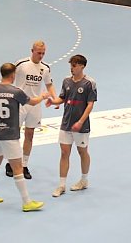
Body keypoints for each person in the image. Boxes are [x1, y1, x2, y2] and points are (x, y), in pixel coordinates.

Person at [0, 63, 49, 212]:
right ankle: (27, 202)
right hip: (10, 135)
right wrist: (43, 96)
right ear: (13, 74)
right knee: (18, 167)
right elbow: (32, 102)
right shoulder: (15, 91)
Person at [6, 41, 58, 180]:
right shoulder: (21, 64)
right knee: (14, 135)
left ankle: (23, 165)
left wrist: (55, 99)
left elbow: (49, 84)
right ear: (32, 51)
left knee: (30, 135)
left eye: (43, 53)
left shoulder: (45, 68)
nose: (41, 56)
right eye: (38, 53)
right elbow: (8, 77)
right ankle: (10, 163)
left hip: (35, 105)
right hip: (19, 104)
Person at [46, 55, 96, 198]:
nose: (72, 68)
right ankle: (61, 185)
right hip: (66, 123)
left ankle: (84, 180)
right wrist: (53, 102)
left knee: (82, 152)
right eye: (71, 66)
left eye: (74, 66)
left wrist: (80, 121)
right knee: (64, 153)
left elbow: (90, 104)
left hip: (81, 126)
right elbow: (62, 98)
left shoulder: (89, 83)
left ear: (82, 66)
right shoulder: (66, 81)